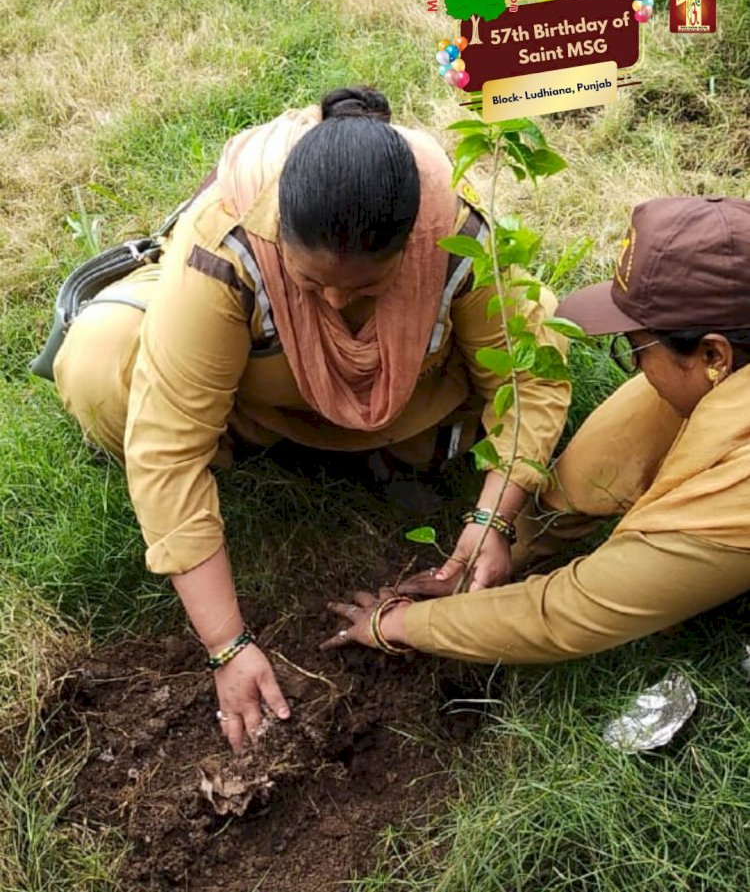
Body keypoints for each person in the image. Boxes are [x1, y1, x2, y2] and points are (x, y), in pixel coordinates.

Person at [51, 86, 570, 751]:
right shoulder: (229, 244)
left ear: (410, 246)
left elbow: (526, 378)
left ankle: (378, 446)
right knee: (100, 362)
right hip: (258, 400)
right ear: (278, 236)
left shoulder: (453, 232)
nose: (332, 300)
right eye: (309, 282)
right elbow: (170, 449)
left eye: (364, 290)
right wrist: (226, 645)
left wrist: (493, 517)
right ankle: (281, 447)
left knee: (541, 331)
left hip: (408, 404)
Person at [322, 196, 750, 667]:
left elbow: (570, 613)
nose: (636, 370)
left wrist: (400, 625)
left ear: (713, 356)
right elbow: (612, 451)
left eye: (635, 350)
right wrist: (504, 537)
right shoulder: (727, 372)